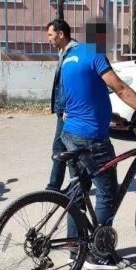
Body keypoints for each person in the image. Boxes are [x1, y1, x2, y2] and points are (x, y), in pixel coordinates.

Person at [59, 20, 136, 270]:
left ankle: (75, 246)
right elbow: (121, 88)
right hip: (92, 138)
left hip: (71, 133)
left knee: (78, 190)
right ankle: (98, 255)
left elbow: (85, 96)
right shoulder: (95, 54)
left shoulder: (72, 55)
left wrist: (114, 118)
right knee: (107, 192)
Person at [45, 19, 78, 192]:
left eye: (51, 35)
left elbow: (73, 84)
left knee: (65, 148)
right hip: (64, 110)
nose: (49, 39)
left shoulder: (74, 54)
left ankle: (58, 186)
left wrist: (68, 108)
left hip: (69, 111)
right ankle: (62, 185)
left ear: (60, 34)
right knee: (63, 147)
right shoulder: (63, 52)